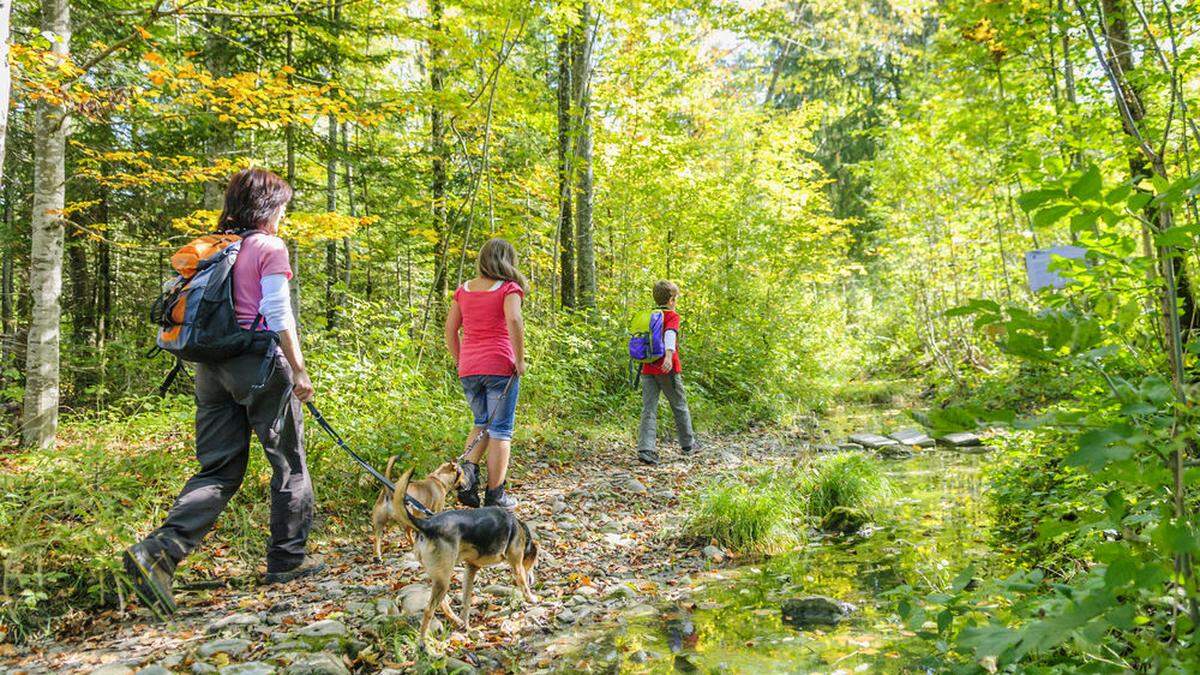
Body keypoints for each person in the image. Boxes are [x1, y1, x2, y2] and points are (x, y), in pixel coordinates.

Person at [124, 168, 322, 617]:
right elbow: (276, 311)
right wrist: (298, 369)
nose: (284, 218)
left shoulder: (216, 249)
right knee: (289, 464)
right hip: (257, 364)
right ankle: (287, 561)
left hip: (210, 369)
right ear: (269, 209)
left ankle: (159, 552)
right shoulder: (268, 247)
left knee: (217, 469)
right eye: (283, 208)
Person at [445, 238, 528, 509]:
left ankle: (467, 485)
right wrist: (520, 359)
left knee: (481, 423)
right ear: (507, 260)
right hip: (499, 366)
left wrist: (461, 360)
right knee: (501, 431)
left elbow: (450, 330)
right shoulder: (508, 289)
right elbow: (514, 319)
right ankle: (496, 495)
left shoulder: (464, 290)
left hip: (469, 368)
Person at [637, 280, 695, 465]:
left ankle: (646, 449)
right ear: (671, 299)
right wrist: (669, 357)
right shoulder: (671, 316)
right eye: (675, 298)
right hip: (666, 367)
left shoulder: (649, 315)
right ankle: (688, 444)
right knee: (679, 404)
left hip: (647, 367)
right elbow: (670, 334)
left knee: (649, 408)